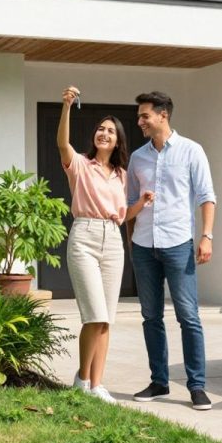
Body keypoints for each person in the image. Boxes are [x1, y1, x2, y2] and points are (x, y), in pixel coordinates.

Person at [57, 86, 153, 404]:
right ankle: (82, 379)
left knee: (107, 317)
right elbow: (61, 143)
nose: (104, 133)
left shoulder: (122, 175)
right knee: (94, 314)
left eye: (110, 131)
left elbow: (124, 215)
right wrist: (67, 106)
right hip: (84, 237)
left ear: (117, 140)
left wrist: (141, 202)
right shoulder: (81, 166)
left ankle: (96, 384)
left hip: (112, 240)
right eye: (101, 129)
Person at [127, 91, 216, 411]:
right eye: (139, 116)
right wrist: (139, 207)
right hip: (143, 246)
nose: (139, 121)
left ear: (162, 115)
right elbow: (128, 208)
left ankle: (197, 385)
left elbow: (207, 196)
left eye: (144, 116)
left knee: (188, 317)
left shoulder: (192, 151)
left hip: (179, 244)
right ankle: (159, 382)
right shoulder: (137, 157)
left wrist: (206, 236)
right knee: (151, 317)